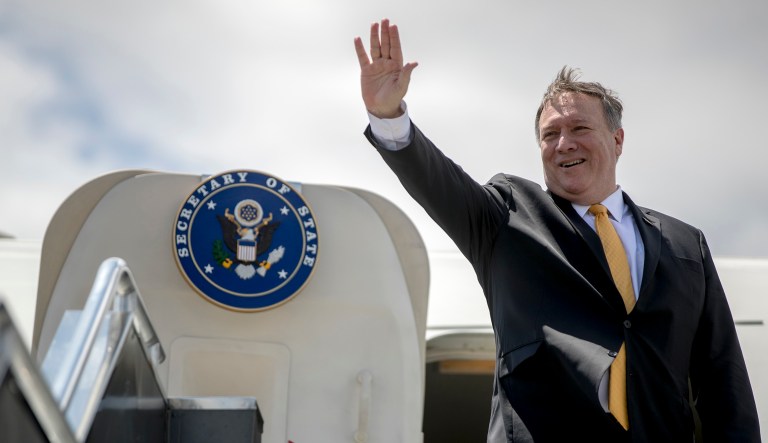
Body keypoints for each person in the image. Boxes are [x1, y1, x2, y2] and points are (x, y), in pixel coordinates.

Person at [354, 19, 761, 442]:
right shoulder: (507, 215)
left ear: (617, 140)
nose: (564, 143)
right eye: (550, 135)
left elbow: (722, 379)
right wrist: (389, 117)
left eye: (579, 129)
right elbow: (439, 183)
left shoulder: (684, 244)